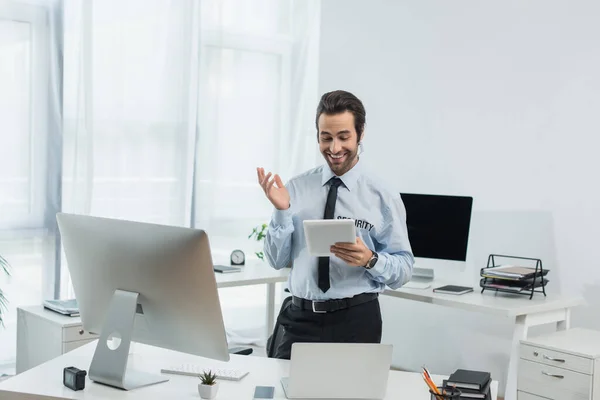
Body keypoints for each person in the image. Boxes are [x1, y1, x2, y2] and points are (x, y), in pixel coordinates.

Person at [257, 90, 414, 360]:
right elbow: (275, 260)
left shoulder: (382, 196)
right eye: (326, 137)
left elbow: (403, 270)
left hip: (356, 321)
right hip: (299, 319)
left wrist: (370, 260)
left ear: (360, 133)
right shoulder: (295, 188)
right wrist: (281, 212)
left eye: (344, 137)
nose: (334, 148)